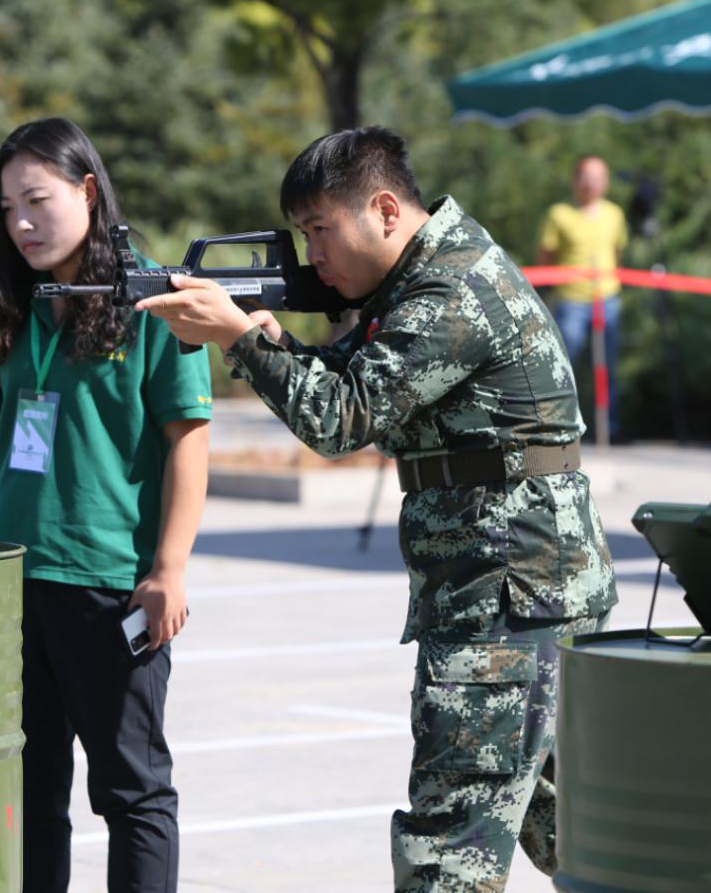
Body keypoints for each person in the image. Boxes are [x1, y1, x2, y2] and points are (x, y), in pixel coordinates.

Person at [137, 126, 617, 892]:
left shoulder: (449, 290)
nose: (313, 256)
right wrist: (261, 334)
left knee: (450, 842)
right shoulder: (429, 280)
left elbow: (342, 417)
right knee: (579, 828)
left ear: (386, 210)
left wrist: (239, 338)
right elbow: (356, 377)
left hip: (503, 599)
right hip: (522, 590)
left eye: (321, 231)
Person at [0, 117, 212, 892]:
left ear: (89, 192)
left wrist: (169, 569)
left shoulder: (154, 299)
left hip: (110, 584)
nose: (21, 222)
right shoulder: (12, 304)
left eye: (38, 199)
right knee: (29, 792)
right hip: (11, 583)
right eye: (7, 207)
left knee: (131, 791)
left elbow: (188, 440)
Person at [536, 155, 629, 441]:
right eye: (586, 177)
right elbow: (545, 257)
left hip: (607, 300)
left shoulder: (615, 214)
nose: (591, 183)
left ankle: (609, 427)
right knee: (563, 366)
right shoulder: (559, 214)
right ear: (575, 181)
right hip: (570, 301)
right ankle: (560, 427)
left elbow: (617, 254)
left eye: (598, 177)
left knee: (608, 367)